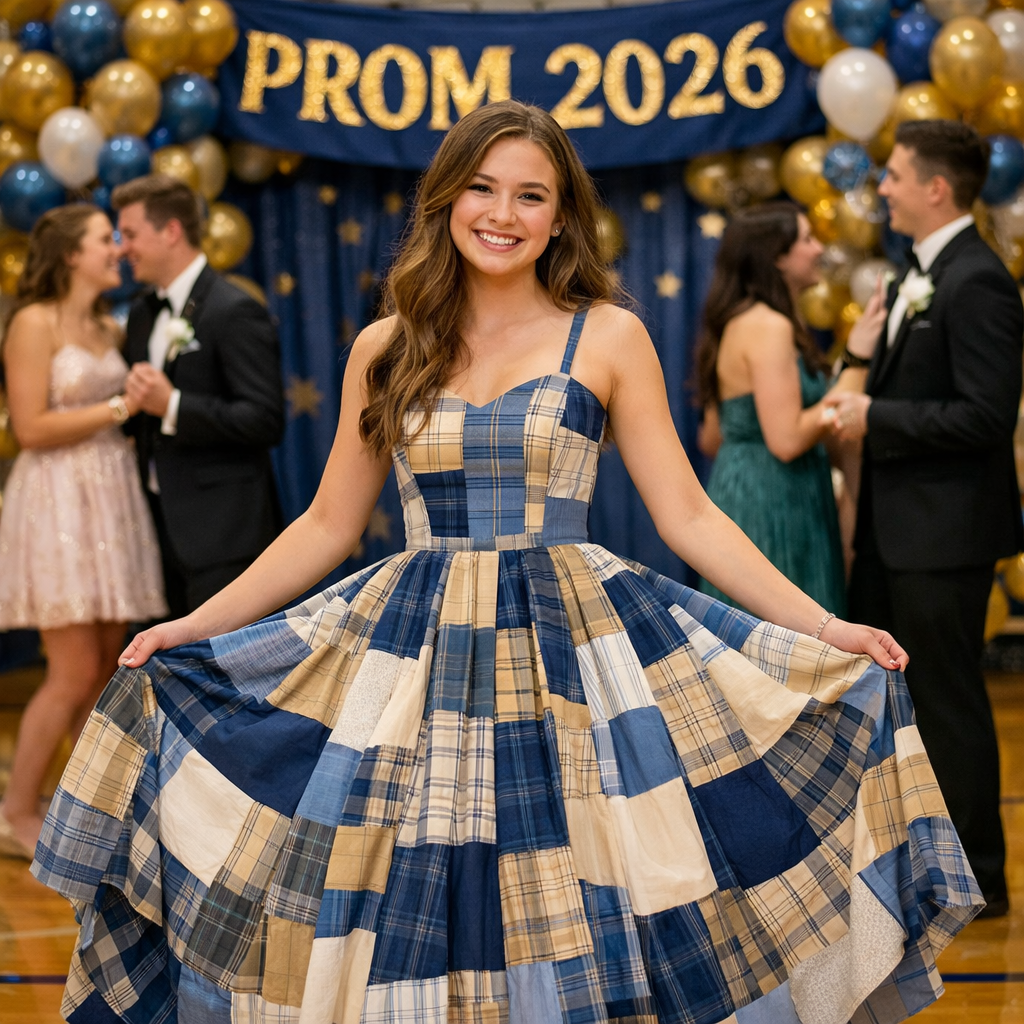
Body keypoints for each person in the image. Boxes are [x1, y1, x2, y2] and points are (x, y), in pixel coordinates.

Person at [35, 103, 980, 1023]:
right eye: (482, 188)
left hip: (573, 655)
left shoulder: (607, 334)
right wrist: (195, 627)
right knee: (410, 895)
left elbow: (689, 515)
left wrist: (823, 627)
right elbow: (326, 526)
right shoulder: (385, 347)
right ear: (446, 200)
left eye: (532, 195)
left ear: (562, 214)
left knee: (582, 887)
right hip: (415, 656)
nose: (503, 213)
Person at [827, 119, 1022, 920]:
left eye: (896, 174)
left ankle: (980, 879)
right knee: (904, 700)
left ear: (936, 188)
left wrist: (878, 415)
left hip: (943, 535)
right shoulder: (919, 273)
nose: (882, 186)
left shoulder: (977, 279)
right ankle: (919, 862)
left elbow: (984, 417)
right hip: (898, 530)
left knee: (947, 700)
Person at [0, 205, 166, 859]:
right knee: (69, 671)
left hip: (108, 497)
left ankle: (73, 801)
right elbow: (32, 427)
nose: (118, 249)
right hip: (59, 501)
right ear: (71, 253)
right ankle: (16, 807)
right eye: (106, 239)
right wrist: (121, 405)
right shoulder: (34, 323)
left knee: (101, 666)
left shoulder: (106, 324)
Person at [694, 202, 887, 614]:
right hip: (775, 501)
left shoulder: (738, 321)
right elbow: (785, 441)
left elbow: (712, 438)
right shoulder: (769, 326)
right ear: (776, 256)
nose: (819, 248)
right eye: (807, 239)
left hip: (741, 493)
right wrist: (854, 369)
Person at [111, 174, 285, 618]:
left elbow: (264, 419)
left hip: (224, 534)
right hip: (157, 532)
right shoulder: (142, 314)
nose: (121, 248)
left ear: (170, 231)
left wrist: (172, 405)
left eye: (130, 234)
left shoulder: (234, 309)